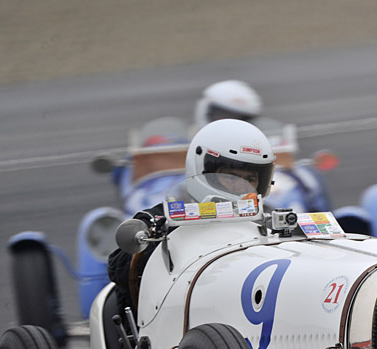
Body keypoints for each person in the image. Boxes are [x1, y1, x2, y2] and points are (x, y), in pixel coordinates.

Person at [107, 119, 275, 320]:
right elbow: (119, 268)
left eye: (250, 180)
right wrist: (157, 238)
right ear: (202, 172)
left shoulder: (268, 218)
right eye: (231, 177)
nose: (241, 188)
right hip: (180, 324)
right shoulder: (162, 218)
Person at [193, 80, 262, 129]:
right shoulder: (187, 145)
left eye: (241, 120)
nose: (231, 124)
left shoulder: (259, 143)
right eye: (222, 116)